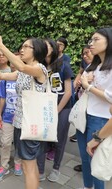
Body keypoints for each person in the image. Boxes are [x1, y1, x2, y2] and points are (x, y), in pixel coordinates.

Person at [0, 32, 48, 189]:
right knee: (28, 165)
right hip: (19, 122)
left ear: (37, 50)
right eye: (22, 46)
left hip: (30, 124)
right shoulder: (22, 72)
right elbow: (0, 75)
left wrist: (0, 45)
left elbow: (20, 65)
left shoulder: (39, 69)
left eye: (26, 46)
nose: (22, 49)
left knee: (29, 165)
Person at [77, 27, 112, 189]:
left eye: (96, 39)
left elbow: (110, 97)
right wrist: (86, 83)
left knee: (96, 161)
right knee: (84, 157)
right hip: (85, 115)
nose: (91, 43)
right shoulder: (95, 66)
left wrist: (88, 86)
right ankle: (87, 186)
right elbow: (83, 88)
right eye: (90, 40)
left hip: (101, 119)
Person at [37, 38, 74, 182]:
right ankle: (40, 170)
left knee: (59, 139)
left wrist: (56, 111)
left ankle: (56, 168)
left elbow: (68, 92)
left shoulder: (64, 66)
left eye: (47, 46)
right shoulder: (40, 67)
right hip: (45, 107)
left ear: (53, 48)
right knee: (42, 139)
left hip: (63, 107)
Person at [0, 62, 23, 180]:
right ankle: (4, 165)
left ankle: (17, 162)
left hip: (21, 117)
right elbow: (3, 98)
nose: (14, 63)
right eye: (13, 60)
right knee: (5, 142)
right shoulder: (5, 80)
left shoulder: (25, 78)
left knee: (19, 142)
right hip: (7, 117)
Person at [70, 45, 94, 143]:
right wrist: (76, 84)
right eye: (83, 54)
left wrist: (86, 85)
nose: (84, 56)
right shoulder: (88, 65)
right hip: (82, 101)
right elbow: (80, 73)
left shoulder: (100, 68)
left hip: (91, 107)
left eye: (87, 53)